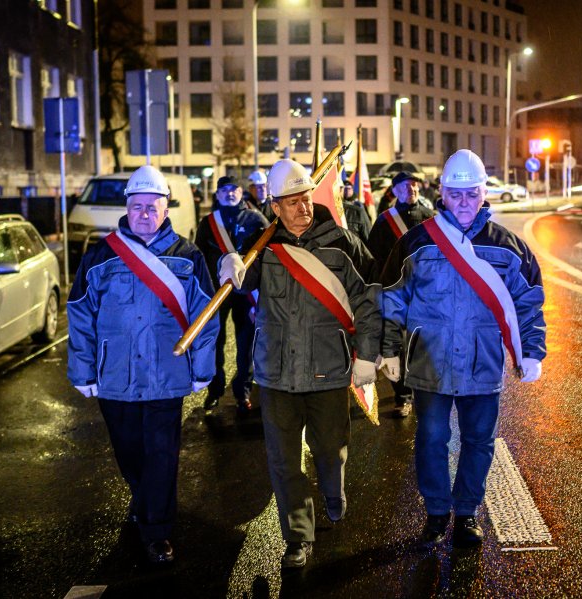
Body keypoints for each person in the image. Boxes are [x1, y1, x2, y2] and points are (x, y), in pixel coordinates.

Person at [379, 149, 546, 547]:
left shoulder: (510, 247)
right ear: (443, 193)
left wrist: (532, 350)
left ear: (484, 191)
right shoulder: (417, 242)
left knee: (478, 441)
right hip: (430, 363)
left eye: (472, 194)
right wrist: (387, 348)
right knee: (431, 439)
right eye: (457, 195)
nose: (465, 203)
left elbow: (528, 303)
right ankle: (437, 514)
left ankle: (467, 513)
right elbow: (390, 298)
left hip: (482, 364)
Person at [219, 159, 380, 569]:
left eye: (305, 199)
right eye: (291, 203)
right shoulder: (263, 245)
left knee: (331, 449)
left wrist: (371, 354)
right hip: (275, 373)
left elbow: (370, 299)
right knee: (284, 461)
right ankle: (298, 537)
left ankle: (332, 490)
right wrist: (229, 264)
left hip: (328, 369)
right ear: (275, 206)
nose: (302, 209)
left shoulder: (342, 243)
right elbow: (238, 283)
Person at [67, 165, 219, 564]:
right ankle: (145, 500)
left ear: (166, 209)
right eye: (138, 206)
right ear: (127, 208)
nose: (145, 214)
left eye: (153, 206)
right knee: (129, 451)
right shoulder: (101, 255)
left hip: (166, 377)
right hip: (114, 377)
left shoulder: (188, 255)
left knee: (161, 454)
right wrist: (82, 370)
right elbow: (80, 314)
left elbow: (207, 314)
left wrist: (203, 367)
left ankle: (156, 530)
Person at [195, 175, 269, 413]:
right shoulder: (208, 223)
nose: (229, 193)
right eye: (224, 189)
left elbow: (269, 253)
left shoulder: (256, 219)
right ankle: (215, 391)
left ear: (241, 192)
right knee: (215, 341)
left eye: (234, 189)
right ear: (217, 195)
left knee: (246, 343)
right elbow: (200, 259)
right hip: (217, 293)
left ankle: (243, 392)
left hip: (246, 292)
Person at [366, 171, 435, 418]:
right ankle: (403, 396)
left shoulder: (430, 218)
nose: (412, 190)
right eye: (406, 186)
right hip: (395, 295)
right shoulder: (385, 222)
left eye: (415, 186)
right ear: (394, 191)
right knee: (399, 348)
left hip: (425, 295)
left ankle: (423, 392)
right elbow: (373, 259)